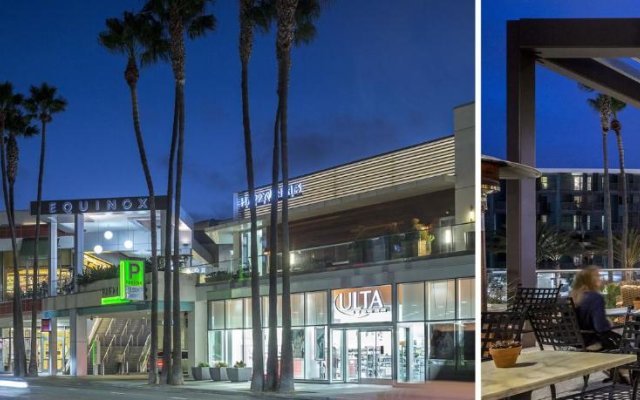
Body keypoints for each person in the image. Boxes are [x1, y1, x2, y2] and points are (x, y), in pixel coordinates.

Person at [571, 266, 621, 351]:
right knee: (627, 343)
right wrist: (609, 323)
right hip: (592, 342)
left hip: (575, 342)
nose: (600, 278)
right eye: (597, 276)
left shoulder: (574, 297)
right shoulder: (596, 297)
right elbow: (600, 327)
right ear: (590, 280)